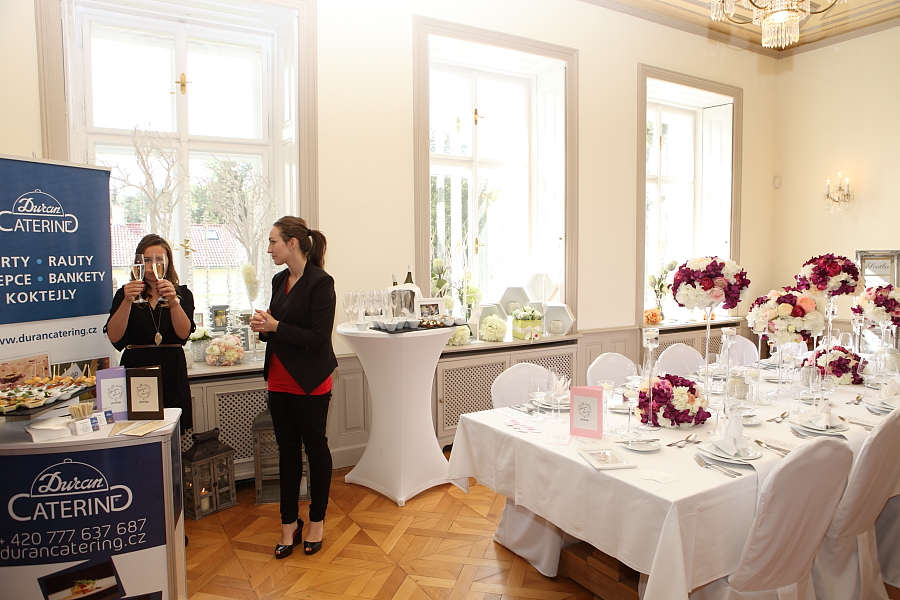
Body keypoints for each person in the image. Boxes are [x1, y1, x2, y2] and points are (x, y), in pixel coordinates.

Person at [251, 216, 337, 558]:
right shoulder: (278, 279)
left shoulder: (321, 282)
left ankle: (316, 520)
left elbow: (319, 339)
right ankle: (289, 523)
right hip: (279, 377)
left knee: (315, 449)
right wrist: (264, 326)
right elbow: (278, 328)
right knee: (287, 451)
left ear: (292, 243)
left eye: (273, 241)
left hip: (311, 380)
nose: (269, 249)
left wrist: (275, 326)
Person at [105, 234, 196, 431]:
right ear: (137, 263)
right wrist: (127, 301)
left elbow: (183, 334)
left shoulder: (182, 293)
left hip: (171, 369)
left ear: (168, 262)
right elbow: (114, 336)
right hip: (137, 368)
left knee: (173, 434)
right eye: (146, 260)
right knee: (138, 431)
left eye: (158, 260)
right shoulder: (124, 293)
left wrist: (173, 301)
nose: (151, 266)